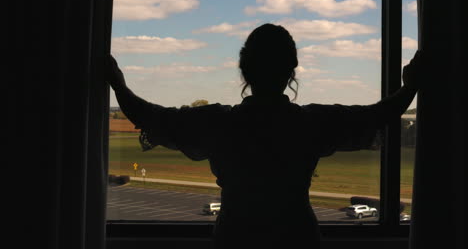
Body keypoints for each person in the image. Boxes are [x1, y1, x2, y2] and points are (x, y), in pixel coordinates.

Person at [103, 23, 421, 249]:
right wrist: (410, 87)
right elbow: (377, 115)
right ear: (291, 72)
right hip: (297, 237)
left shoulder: (219, 123)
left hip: (237, 237)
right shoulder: (310, 123)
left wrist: (117, 83)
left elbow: (154, 117)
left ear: (244, 71)